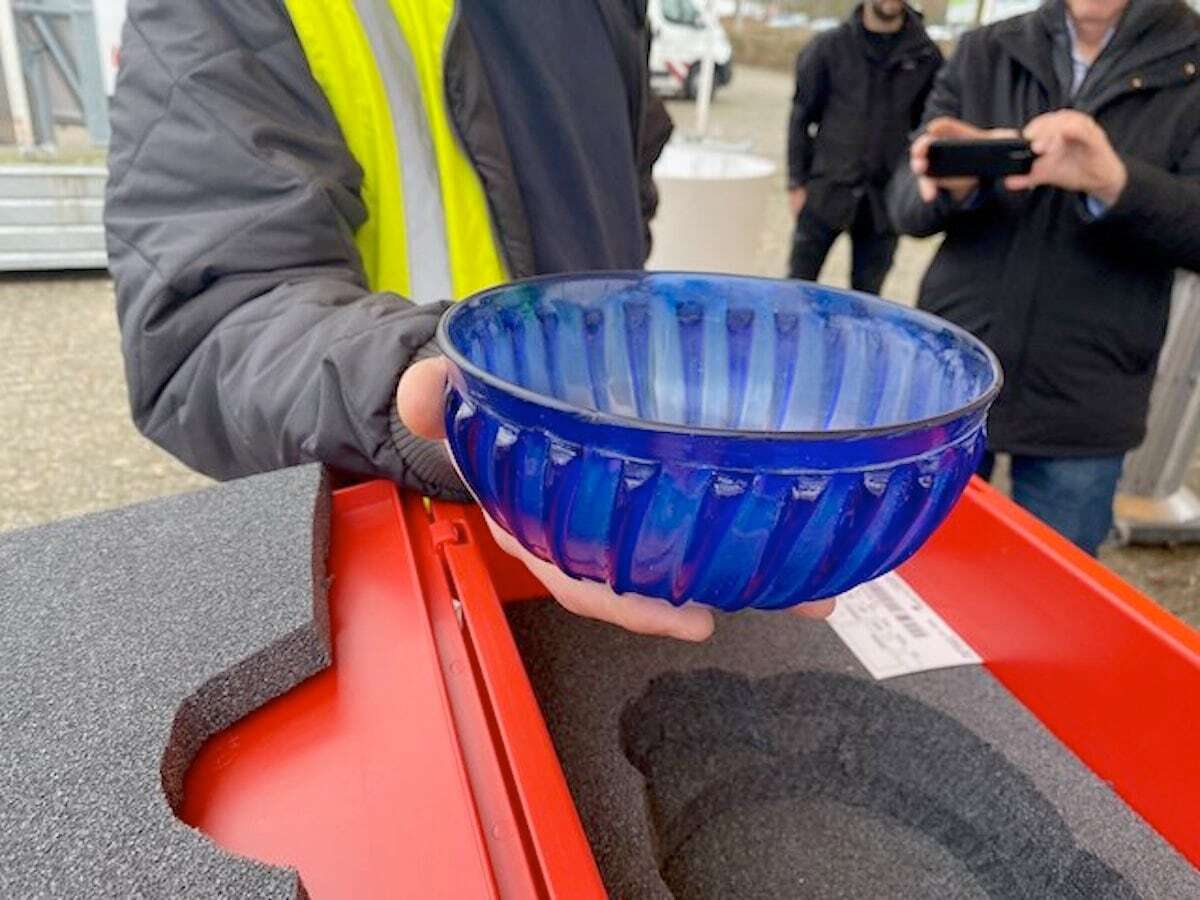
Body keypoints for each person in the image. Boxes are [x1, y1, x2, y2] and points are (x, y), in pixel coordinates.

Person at [105, 0, 833, 640]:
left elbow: (626, 178)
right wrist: (450, 390)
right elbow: (211, 319)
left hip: (605, 519)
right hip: (393, 560)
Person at [889, 0, 1200, 555]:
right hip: (955, 368)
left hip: (1088, 387)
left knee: (1053, 592)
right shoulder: (990, 46)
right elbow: (906, 206)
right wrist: (952, 183)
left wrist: (1116, 184)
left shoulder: (1190, 63)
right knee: (915, 566)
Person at [786, 0, 942, 292]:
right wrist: (796, 182)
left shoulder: (925, 56)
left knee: (868, 299)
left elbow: (929, 127)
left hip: (883, 201)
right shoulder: (829, 47)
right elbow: (801, 116)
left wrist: (911, 189)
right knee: (796, 289)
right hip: (826, 190)